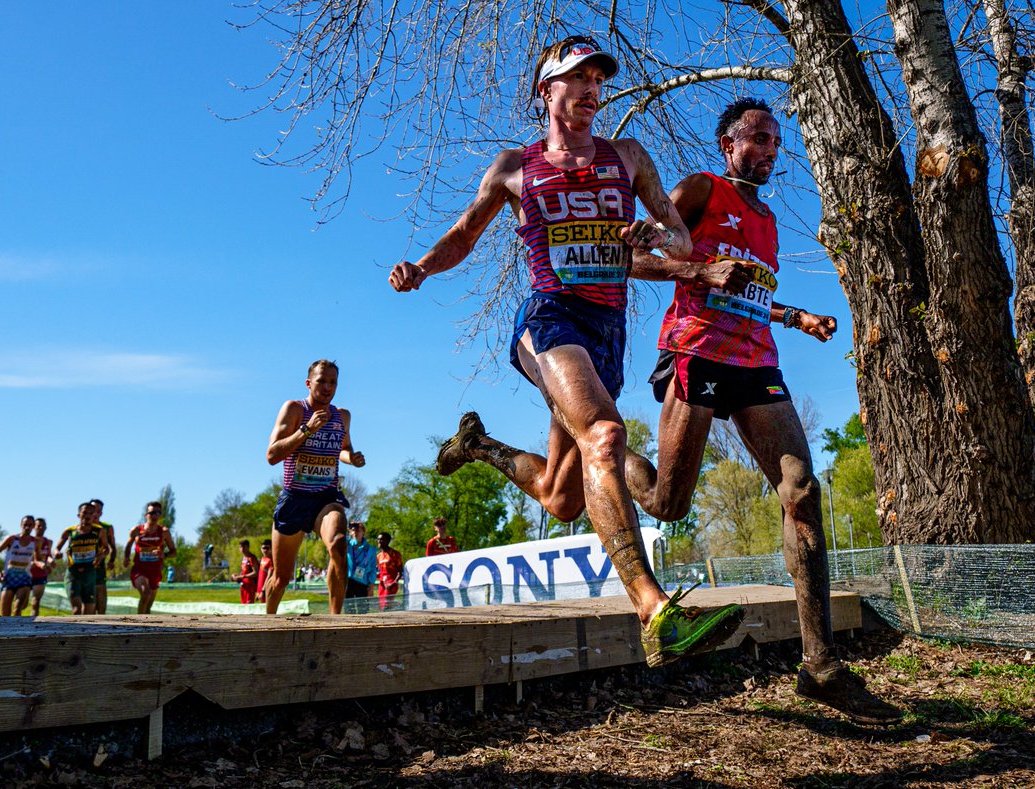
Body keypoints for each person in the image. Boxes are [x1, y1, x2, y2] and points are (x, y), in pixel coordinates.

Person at [388, 34, 744, 667]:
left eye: (598, 80)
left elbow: (680, 240)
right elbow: (463, 236)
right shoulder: (513, 168)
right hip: (549, 320)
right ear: (546, 91)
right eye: (578, 77)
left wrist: (658, 233)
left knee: (563, 496)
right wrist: (421, 267)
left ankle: (481, 448)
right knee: (604, 435)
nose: (591, 89)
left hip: (607, 334)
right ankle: (655, 611)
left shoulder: (628, 157)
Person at [623, 97, 901, 724]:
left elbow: (750, 290)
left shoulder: (769, 220)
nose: (771, 152)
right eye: (759, 140)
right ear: (728, 143)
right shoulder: (700, 188)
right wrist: (697, 267)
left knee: (802, 491)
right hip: (695, 352)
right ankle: (607, 461)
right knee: (669, 504)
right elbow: (633, 258)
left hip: (757, 363)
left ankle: (820, 665)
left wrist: (795, 316)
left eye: (777, 143)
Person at [265, 359, 366, 614]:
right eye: (322, 381)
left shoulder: (342, 416)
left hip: (326, 497)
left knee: (339, 544)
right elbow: (272, 455)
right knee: (282, 578)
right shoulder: (294, 409)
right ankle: (267, 620)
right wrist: (306, 431)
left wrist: (351, 458)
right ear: (309, 383)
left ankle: (335, 622)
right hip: (295, 498)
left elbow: (343, 449)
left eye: (333, 382)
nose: (327, 387)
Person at [123, 501, 176, 614]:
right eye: (152, 513)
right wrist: (126, 558)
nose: (154, 515)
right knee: (145, 593)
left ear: (160, 515)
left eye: (157, 512)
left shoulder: (164, 532)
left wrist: (163, 554)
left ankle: (145, 624)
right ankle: (138, 625)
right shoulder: (137, 530)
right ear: (146, 515)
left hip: (155, 570)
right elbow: (128, 545)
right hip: (139, 570)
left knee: (149, 603)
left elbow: (173, 552)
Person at [55, 502, 106, 615]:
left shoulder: (99, 531)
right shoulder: (70, 531)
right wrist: (57, 553)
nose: (87, 516)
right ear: (79, 515)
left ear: (94, 516)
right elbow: (56, 548)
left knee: (89, 609)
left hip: (90, 572)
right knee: (77, 609)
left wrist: (101, 556)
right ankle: (74, 631)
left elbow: (106, 549)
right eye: (84, 513)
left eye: (91, 513)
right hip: (73, 573)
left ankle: (85, 631)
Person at [0, 515, 43, 616]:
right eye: (25, 525)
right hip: (8, 577)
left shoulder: (36, 542)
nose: (27, 527)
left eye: (30, 525)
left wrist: (42, 564)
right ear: (21, 525)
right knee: (5, 614)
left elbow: (37, 560)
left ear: (33, 526)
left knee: (18, 607)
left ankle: (17, 630)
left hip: (24, 578)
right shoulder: (11, 539)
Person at [89, 498, 117, 615]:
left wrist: (111, 560)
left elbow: (112, 547)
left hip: (99, 567)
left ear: (101, 513)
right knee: (87, 603)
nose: (95, 513)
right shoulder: (80, 528)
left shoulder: (107, 527)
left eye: (98, 511)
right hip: (82, 568)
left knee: (101, 603)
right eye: (92, 510)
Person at [344, 521, 377, 613]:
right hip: (348, 582)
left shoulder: (370, 549)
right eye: (353, 530)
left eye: (358, 530)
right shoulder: (346, 545)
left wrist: (371, 585)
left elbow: (373, 568)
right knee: (349, 610)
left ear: (363, 532)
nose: (355, 532)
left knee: (363, 610)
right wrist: (348, 526)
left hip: (362, 582)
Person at [29, 517, 55, 616]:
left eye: (42, 526)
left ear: (45, 528)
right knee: (21, 604)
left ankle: (33, 626)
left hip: (40, 575)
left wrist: (51, 561)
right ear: (34, 527)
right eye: (38, 526)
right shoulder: (29, 541)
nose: (40, 528)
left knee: (35, 603)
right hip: (27, 574)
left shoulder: (49, 542)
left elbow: (47, 556)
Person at [375, 531, 404, 611]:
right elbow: (379, 571)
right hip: (382, 584)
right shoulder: (378, 556)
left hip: (391, 583)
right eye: (378, 539)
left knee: (386, 606)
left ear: (387, 541)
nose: (379, 541)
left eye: (382, 539)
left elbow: (400, 571)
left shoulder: (395, 554)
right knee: (382, 607)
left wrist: (394, 582)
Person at [233, 539, 260, 605]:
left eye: (243, 547)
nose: (242, 549)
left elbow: (256, 572)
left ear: (248, 547)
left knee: (249, 605)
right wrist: (237, 576)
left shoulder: (252, 558)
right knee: (243, 604)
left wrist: (243, 576)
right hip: (243, 585)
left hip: (250, 585)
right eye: (240, 547)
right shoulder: (244, 558)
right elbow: (244, 571)